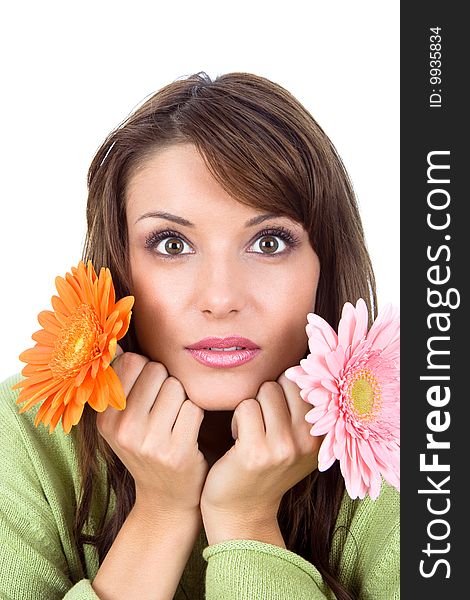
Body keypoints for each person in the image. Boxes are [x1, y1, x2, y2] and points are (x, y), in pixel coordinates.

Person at [0, 71, 399, 599]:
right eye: (170, 244)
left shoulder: (408, 453)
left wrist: (248, 522)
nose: (220, 297)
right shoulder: (25, 438)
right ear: (118, 267)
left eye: (270, 241)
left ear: (326, 264)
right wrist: (160, 512)